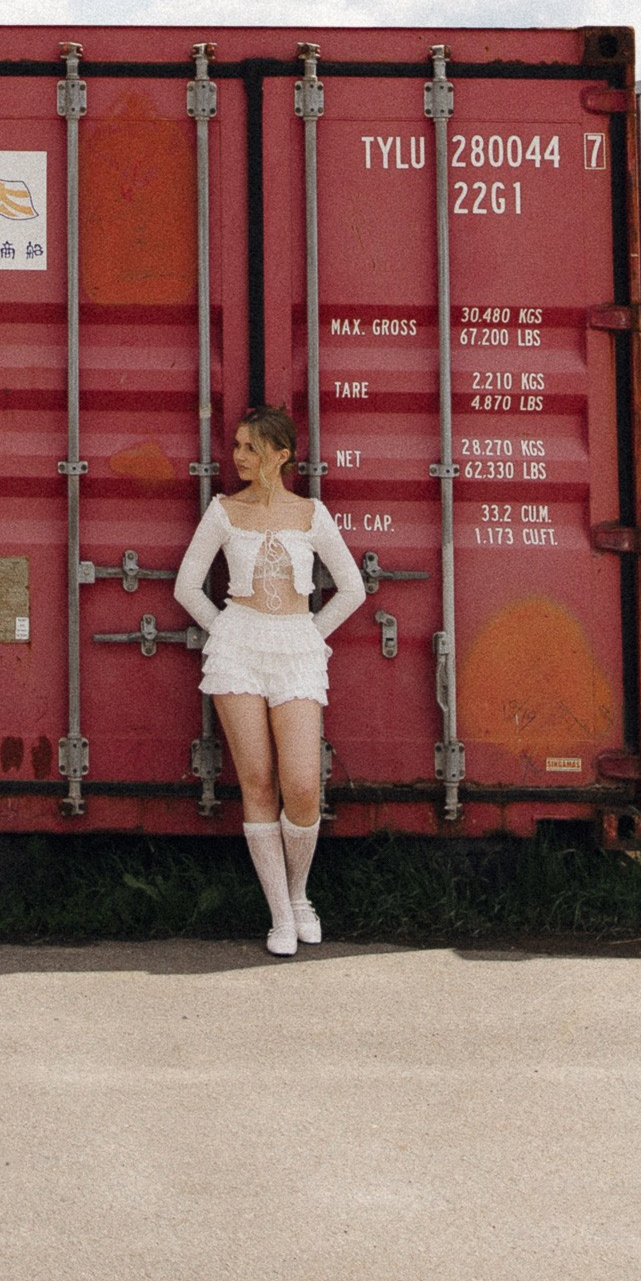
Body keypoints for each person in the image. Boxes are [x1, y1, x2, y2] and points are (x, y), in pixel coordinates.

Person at [173, 406, 366, 957]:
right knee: (257, 781)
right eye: (236, 446)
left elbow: (352, 589)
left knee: (303, 785)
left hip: (297, 651)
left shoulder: (311, 513)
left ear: (281, 456)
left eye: (251, 448)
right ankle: (281, 916)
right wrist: (229, 632)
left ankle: (300, 894)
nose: (238, 457)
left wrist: (310, 633)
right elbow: (188, 588)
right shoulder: (222, 512)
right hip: (238, 653)